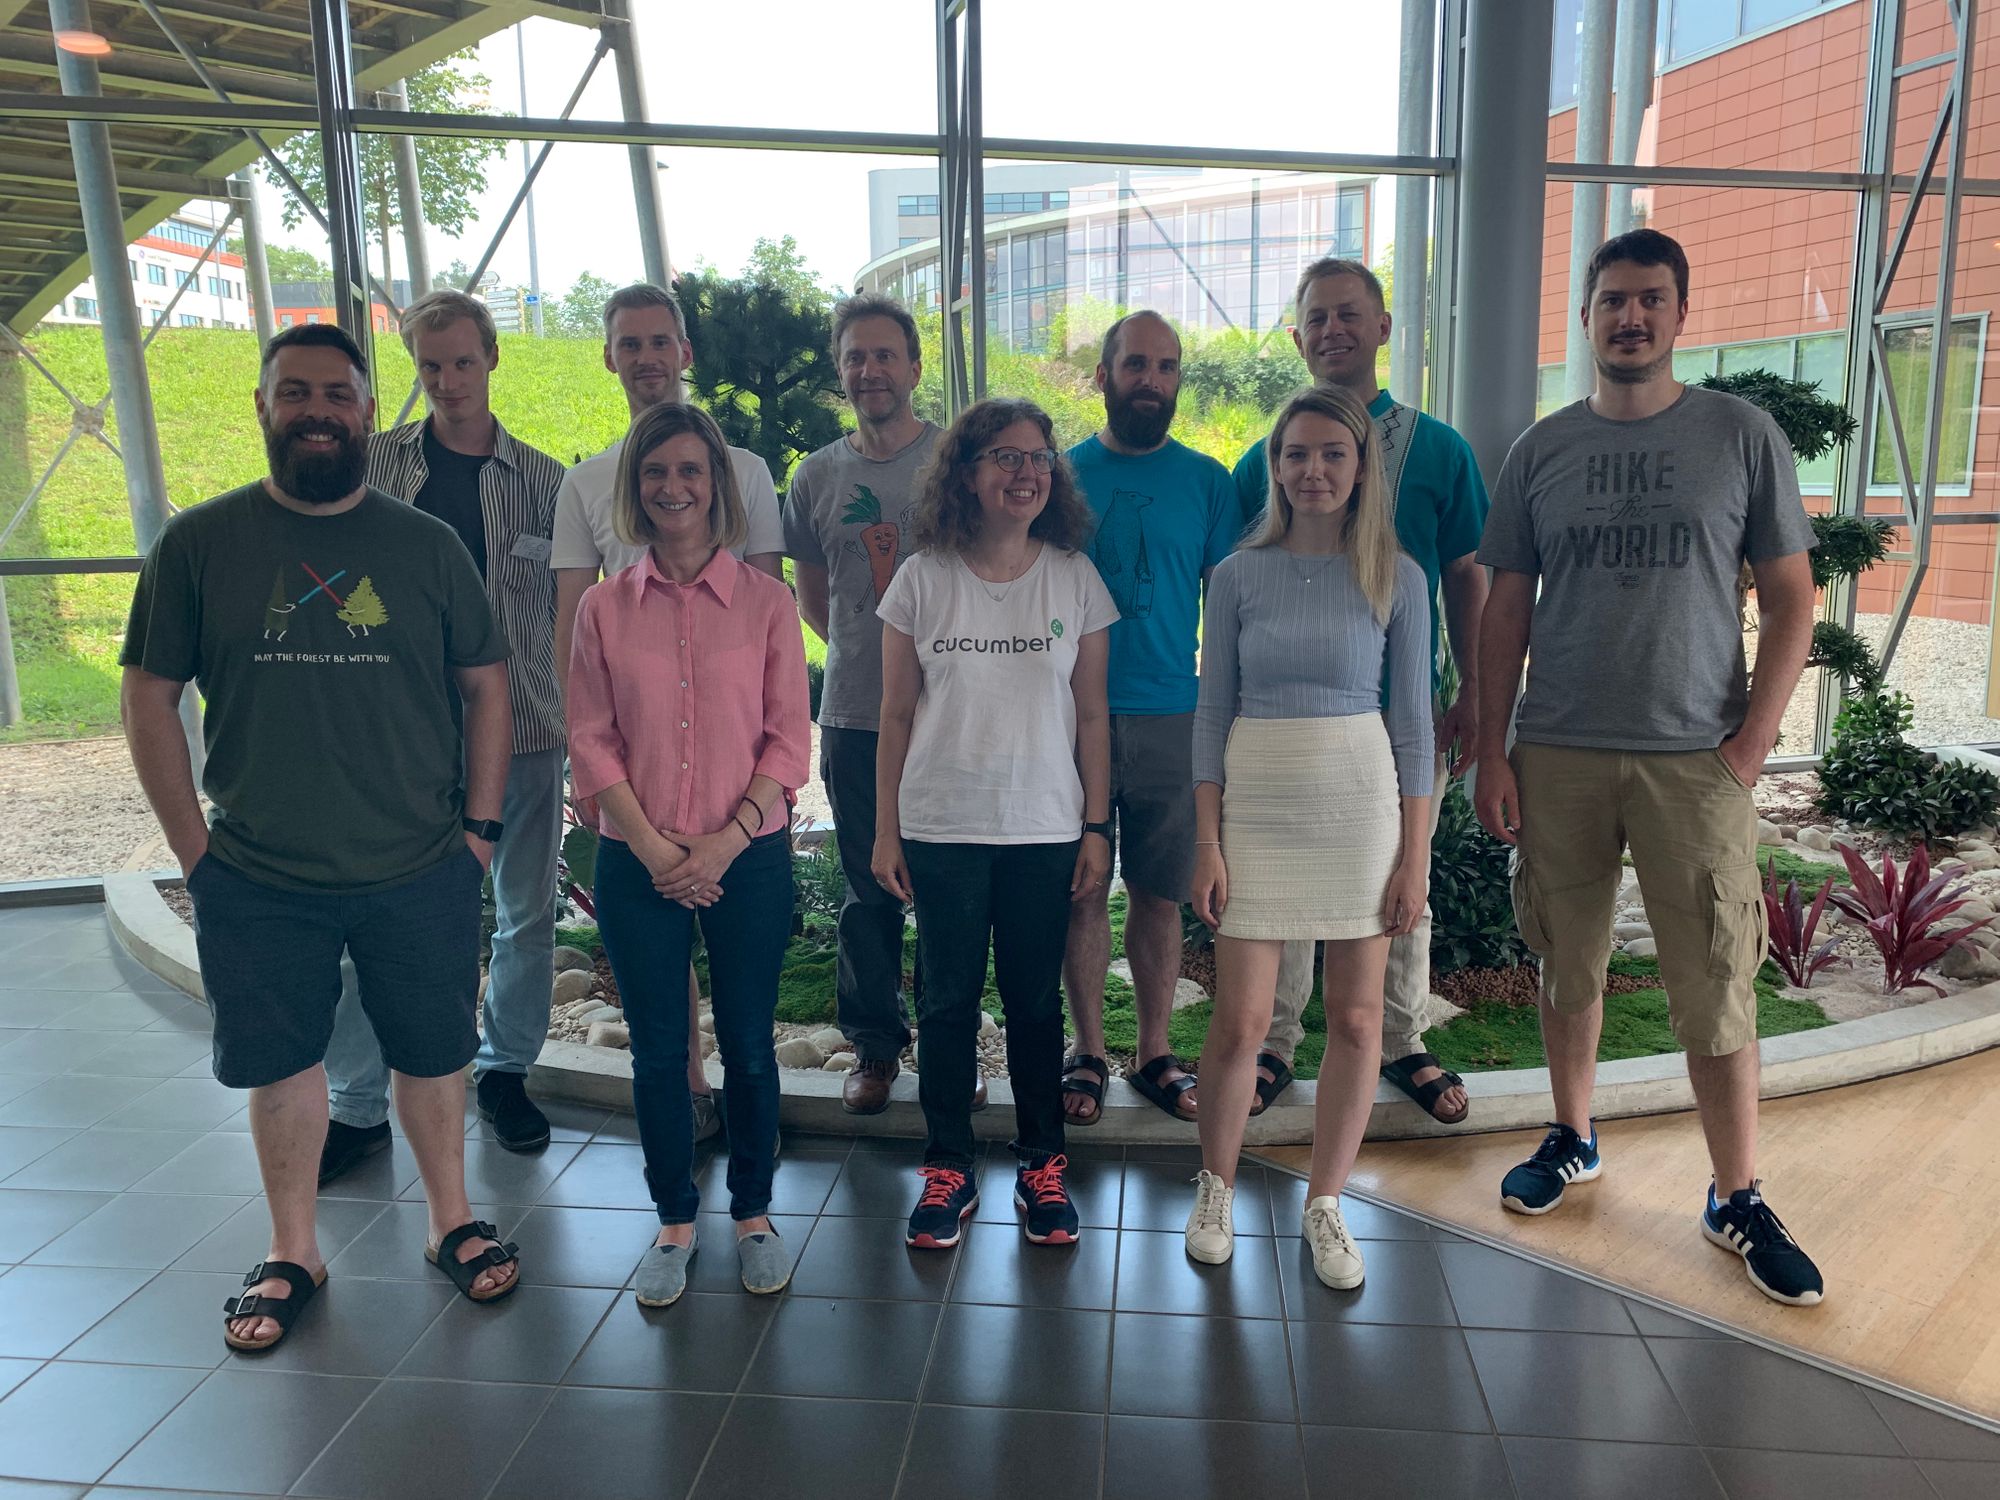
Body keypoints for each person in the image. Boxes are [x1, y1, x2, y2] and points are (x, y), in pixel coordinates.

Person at [120, 323, 522, 1352]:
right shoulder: (200, 544)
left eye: (337, 394)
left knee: (433, 1056)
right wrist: (195, 853)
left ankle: (451, 1221)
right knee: (283, 1063)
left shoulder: (423, 546)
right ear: (263, 406)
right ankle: (292, 1248)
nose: (317, 411)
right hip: (259, 870)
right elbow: (149, 695)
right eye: (294, 392)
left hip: (418, 863)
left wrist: (478, 835)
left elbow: (487, 686)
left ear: (365, 412)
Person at [1472, 229, 1823, 1306]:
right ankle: (1572, 1136)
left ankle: (1735, 1194)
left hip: (1694, 760)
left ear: (1679, 313)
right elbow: (1504, 611)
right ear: (1585, 318)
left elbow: (1793, 598)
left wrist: (1751, 744)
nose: (1630, 317)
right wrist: (1490, 748)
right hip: (1559, 749)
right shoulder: (1541, 450)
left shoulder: (1739, 435)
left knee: (1714, 976)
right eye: (1612, 300)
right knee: (1566, 958)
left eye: (1650, 299)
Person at [316, 290, 567, 1179]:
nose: (448, 381)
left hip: (526, 730)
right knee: (369, 917)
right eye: (430, 366)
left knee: (525, 912)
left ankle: (505, 1072)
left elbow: (567, 615)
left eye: (462, 362)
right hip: (404, 738)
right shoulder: (374, 469)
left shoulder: (544, 481)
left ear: (492, 359)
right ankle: (355, 1104)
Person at [1188, 385, 1434, 1288]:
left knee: (1360, 1019)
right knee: (1242, 1021)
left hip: (1360, 809)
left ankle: (1326, 1202)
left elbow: (1415, 730)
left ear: (1361, 467)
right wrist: (1207, 842)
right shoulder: (1236, 575)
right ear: (1275, 466)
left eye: (1333, 453)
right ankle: (1215, 1186)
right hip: (1257, 805)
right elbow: (1211, 716)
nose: (1314, 470)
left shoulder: (1399, 576)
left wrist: (1415, 858)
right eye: (1296, 454)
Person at [1233, 258, 1488, 1125]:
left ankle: (1402, 1038)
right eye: (1316, 317)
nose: (1333, 330)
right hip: (1288, 725)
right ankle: (1274, 1042)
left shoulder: (1440, 449)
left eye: (1350, 314)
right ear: (1297, 337)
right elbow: (1236, 591)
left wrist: (1477, 691)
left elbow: (1468, 574)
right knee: (1282, 885)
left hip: (1405, 714)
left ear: (1383, 327)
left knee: (1399, 879)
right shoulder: (1265, 458)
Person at [567, 401, 810, 1307]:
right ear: (636, 487)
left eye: (690, 471)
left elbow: (788, 740)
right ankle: (673, 1220)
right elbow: (591, 737)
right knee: (660, 1052)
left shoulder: (768, 604)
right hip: (637, 862)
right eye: (656, 471)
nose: (673, 487)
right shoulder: (601, 607)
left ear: (717, 486)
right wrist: (653, 846)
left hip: (747, 858)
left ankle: (753, 1213)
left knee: (748, 1044)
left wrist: (721, 844)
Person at [873, 398, 1116, 1250]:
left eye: (1040, 458)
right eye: (1005, 457)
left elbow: (1093, 717)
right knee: (944, 1004)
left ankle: (1042, 1163)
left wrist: (1096, 827)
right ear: (966, 474)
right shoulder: (921, 579)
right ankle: (947, 1164)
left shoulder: (1074, 578)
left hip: (1043, 826)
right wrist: (885, 831)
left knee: (1033, 1005)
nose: (1026, 473)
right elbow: (894, 715)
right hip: (941, 825)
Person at [552, 282, 786, 1145]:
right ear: (609, 356)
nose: (646, 357)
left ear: (685, 351)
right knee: (656, 1006)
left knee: (746, 1023)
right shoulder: (585, 483)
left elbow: (763, 627)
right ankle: (686, 1094)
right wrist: (597, 783)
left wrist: (731, 832)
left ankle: (744, 1144)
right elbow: (572, 631)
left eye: (661, 341)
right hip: (635, 778)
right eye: (630, 342)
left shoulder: (748, 473)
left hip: (730, 793)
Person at [786, 293, 966, 1115]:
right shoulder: (816, 476)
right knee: (867, 888)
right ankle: (874, 1045)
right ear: (841, 370)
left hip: (954, 714)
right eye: (855, 356)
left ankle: (947, 1037)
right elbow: (813, 593)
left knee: (947, 885)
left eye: (885, 354)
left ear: (915, 366)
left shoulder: (953, 462)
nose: (870, 370)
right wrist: (880, 664)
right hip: (856, 714)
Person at [1062, 310, 1237, 1126]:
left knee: (1159, 896)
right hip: (1071, 719)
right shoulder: (1060, 476)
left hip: (1175, 717)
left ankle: (1155, 1051)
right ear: (1103, 375)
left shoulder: (1208, 482)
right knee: (1081, 891)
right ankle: (1088, 1050)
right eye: (1135, 365)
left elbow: (1227, 610)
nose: (1151, 381)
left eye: (1166, 368)